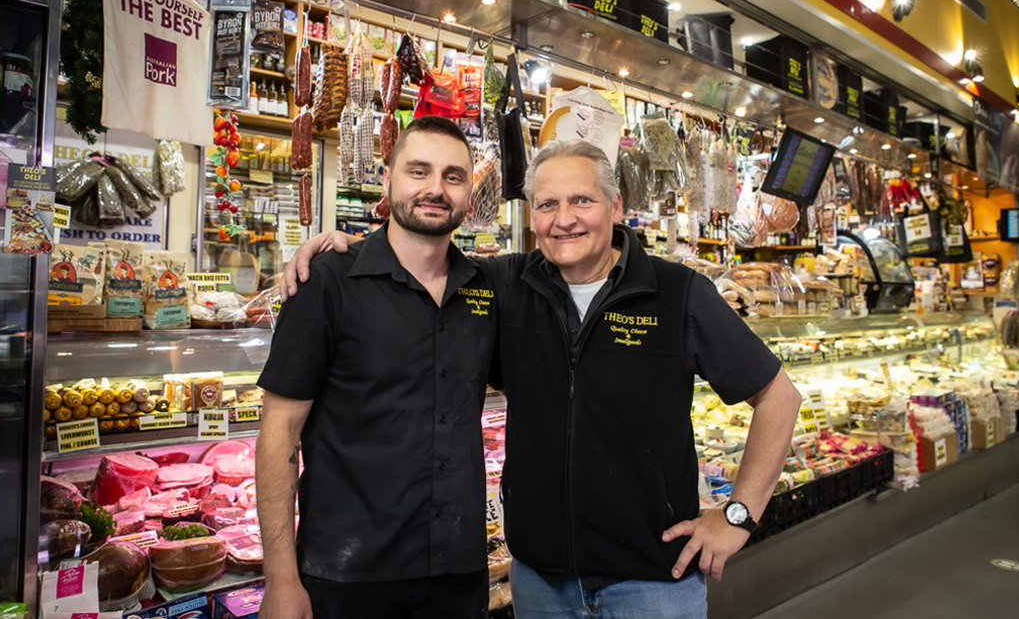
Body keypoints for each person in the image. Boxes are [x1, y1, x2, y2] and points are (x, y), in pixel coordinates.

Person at [284, 139, 801, 617]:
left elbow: (779, 397)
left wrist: (737, 516)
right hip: (539, 585)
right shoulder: (503, 285)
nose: (564, 220)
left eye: (582, 201)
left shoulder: (677, 292)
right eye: (548, 205)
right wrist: (346, 249)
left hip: (653, 584)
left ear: (615, 206)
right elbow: (420, 259)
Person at [256, 116, 496, 619]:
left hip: (458, 573)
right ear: (387, 179)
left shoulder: (487, 287)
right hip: (348, 576)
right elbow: (279, 432)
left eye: (453, 176)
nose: (436, 189)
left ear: (469, 195)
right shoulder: (327, 281)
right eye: (418, 171)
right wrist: (280, 578)